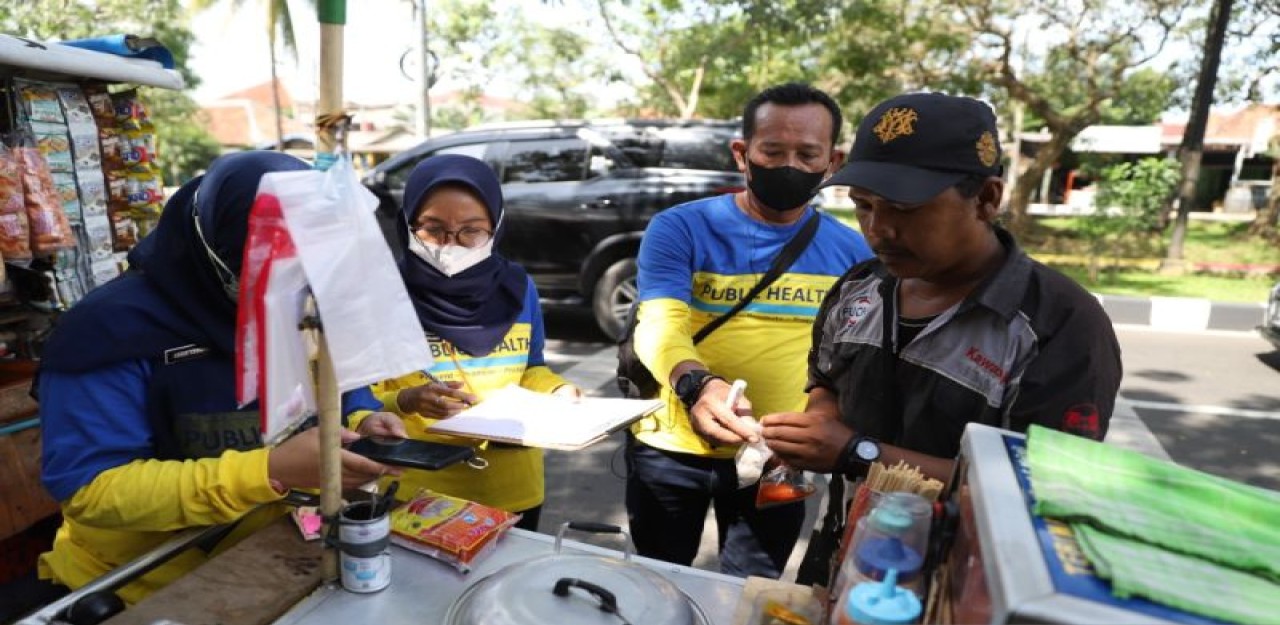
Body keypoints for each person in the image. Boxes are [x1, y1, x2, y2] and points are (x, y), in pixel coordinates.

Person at [36, 151, 405, 625]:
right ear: (216, 252)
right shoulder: (108, 331)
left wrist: (360, 419)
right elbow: (92, 490)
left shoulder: (301, 301)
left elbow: (339, 378)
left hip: (268, 573)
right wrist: (270, 472)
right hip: (140, 600)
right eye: (273, 277)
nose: (294, 300)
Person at [760, 91, 1123, 508]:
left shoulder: (1059, 325)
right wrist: (819, 423)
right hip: (847, 549)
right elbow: (825, 379)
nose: (878, 229)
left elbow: (1044, 487)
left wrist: (858, 453)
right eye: (863, 205)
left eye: (904, 209)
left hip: (966, 565)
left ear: (987, 199)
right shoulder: (859, 289)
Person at [625, 82, 873, 579]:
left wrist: (826, 425)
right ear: (743, 153)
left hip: (780, 460)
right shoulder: (680, 228)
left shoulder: (855, 254)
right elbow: (659, 324)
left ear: (833, 162)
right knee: (655, 581)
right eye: (772, 151)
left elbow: (852, 362)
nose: (790, 166)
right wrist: (697, 384)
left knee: (750, 590)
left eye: (808, 154)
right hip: (671, 449)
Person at [368, 154, 581, 531]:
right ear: (407, 224)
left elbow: (532, 368)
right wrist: (406, 400)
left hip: (513, 486)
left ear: (496, 226)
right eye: (433, 229)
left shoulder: (518, 288)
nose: (452, 244)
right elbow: (361, 398)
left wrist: (560, 390)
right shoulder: (382, 294)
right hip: (418, 488)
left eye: (471, 230)